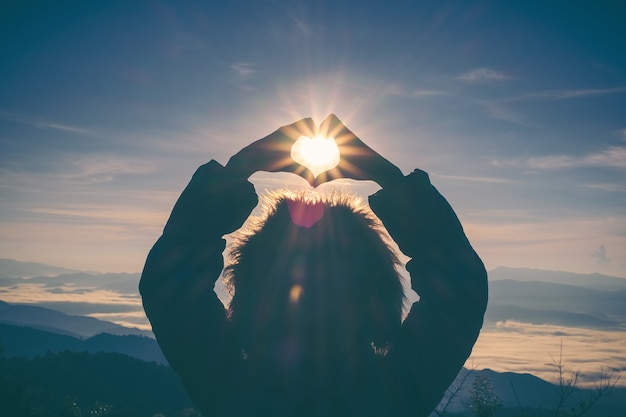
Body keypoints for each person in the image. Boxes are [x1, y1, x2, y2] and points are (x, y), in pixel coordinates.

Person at [139, 114, 488, 417]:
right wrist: (391, 179)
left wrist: (240, 167)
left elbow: (169, 285)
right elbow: (460, 294)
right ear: (378, 296)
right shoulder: (395, 396)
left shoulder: (232, 392)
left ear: (249, 294)